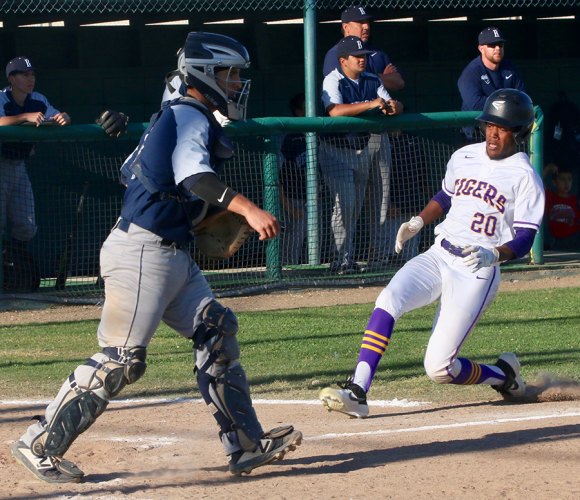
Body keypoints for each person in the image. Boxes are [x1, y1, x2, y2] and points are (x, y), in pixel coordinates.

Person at [11, 32, 302, 483]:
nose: (238, 81)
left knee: (216, 331)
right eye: (231, 73)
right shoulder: (189, 113)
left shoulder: (182, 115)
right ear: (205, 75)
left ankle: (245, 447)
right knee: (122, 360)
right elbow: (194, 177)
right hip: (143, 251)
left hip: (170, 254)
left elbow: (138, 174)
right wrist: (246, 207)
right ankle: (39, 443)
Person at [319, 89, 543, 418]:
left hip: (476, 270)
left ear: (520, 131)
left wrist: (493, 255)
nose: (493, 133)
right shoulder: (465, 155)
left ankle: (503, 376)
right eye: (489, 125)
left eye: (503, 127)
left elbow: (525, 237)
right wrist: (419, 220)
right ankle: (358, 390)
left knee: (439, 368)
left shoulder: (525, 177)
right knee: (388, 300)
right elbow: (446, 195)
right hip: (439, 252)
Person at [323, 5, 405, 269]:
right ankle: (341, 260)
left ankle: (377, 258)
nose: (363, 58)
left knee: (378, 201)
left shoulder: (370, 73)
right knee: (346, 204)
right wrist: (371, 103)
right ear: (343, 59)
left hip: (369, 141)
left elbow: (395, 90)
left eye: (364, 55)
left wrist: (393, 107)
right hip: (337, 147)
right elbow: (335, 110)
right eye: (357, 55)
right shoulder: (333, 72)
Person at [0, 56, 71, 267]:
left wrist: (64, 118)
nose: (30, 78)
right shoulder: (2, 97)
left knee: (27, 225)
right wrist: (24, 117)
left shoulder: (38, 98)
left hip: (19, 165)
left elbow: (58, 116)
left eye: (32, 74)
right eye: (24, 74)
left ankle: (11, 262)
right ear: (12, 78)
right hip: (1, 164)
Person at [457, 27, 525, 142]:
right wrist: (507, 103)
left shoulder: (510, 69)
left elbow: (522, 98)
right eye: (492, 45)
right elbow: (475, 104)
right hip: (475, 135)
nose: (497, 48)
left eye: (500, 45)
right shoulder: (471, 72)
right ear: (481, 48)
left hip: (505, 133)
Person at [280, 92, 308, 265]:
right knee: (292, 247)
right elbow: (274, 180)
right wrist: (289, 207)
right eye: (306, 109)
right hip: (292, 199)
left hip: (313, 199)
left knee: (313, 246)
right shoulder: (287, 138)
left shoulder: (321, 135)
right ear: (298, 112)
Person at [544, 167, 580, 251]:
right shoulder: (551, 197)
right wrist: (548, 168)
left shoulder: (575, 200)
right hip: (556, 242)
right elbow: (537, 182)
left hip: (574, 240)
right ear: (554, 182)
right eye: (562, 179)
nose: (566, 183)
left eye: (569, 179)